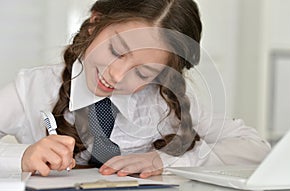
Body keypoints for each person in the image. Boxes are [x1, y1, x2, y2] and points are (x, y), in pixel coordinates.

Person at [0, 0, 271, 178]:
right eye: (117, 50)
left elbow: (254, 147)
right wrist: (22, 156)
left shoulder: (167, 103)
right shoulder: (32, 88)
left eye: (142, 72)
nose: (115, 75)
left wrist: (164, 160)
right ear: (95, 22)